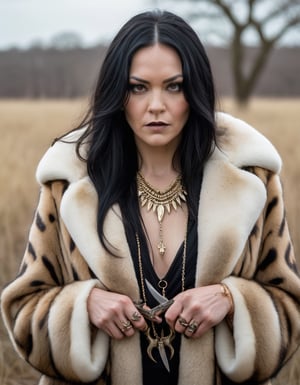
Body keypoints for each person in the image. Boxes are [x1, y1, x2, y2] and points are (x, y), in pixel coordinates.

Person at [1, 9, 300, 385]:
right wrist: (83, 305)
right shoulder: (69, 185)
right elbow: (24, 310)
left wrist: (230, 300)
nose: (155, 105)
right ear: (118, 92)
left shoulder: (251, 180)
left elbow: (289, 306)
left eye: (174, 86)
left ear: (195, 91)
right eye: (138, 87)